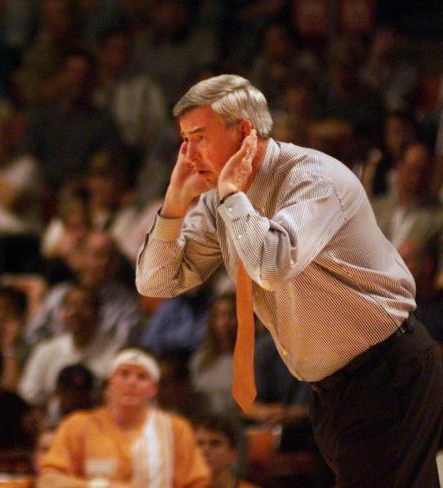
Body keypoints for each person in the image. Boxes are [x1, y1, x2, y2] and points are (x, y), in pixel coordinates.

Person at [135, 73, 443, 487]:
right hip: (332, 393)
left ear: (244, 132)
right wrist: (173, 205)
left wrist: (231, 195)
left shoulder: (313, 178)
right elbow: (155, 282)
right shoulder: (216, 203)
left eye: (198, 137)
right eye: (184, 140)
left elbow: (272, 267)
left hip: (388, 372)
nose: (187, 154)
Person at [37, 349, 211, 487]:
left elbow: (198, 482)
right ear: (110, 383)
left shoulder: (175, 429)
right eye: (124, 374)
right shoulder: (78, 425)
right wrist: (101, 486)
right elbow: (49, 481)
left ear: (153, 388)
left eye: (141, 377)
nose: (131, 382)